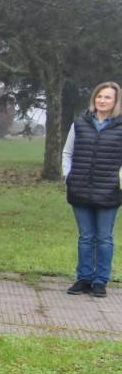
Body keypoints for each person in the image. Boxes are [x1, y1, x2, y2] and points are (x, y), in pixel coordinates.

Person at [62, 81, 122, 297]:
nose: (102, 100)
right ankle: (84, 278)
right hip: (80, 189)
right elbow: (67, 152)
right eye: (99, 96)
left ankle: (100, 280)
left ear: (115, 102)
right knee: (86, 236)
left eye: (107, 97)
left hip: (109, 191)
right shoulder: (80, 123)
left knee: (104, 237)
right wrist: (67, 176)